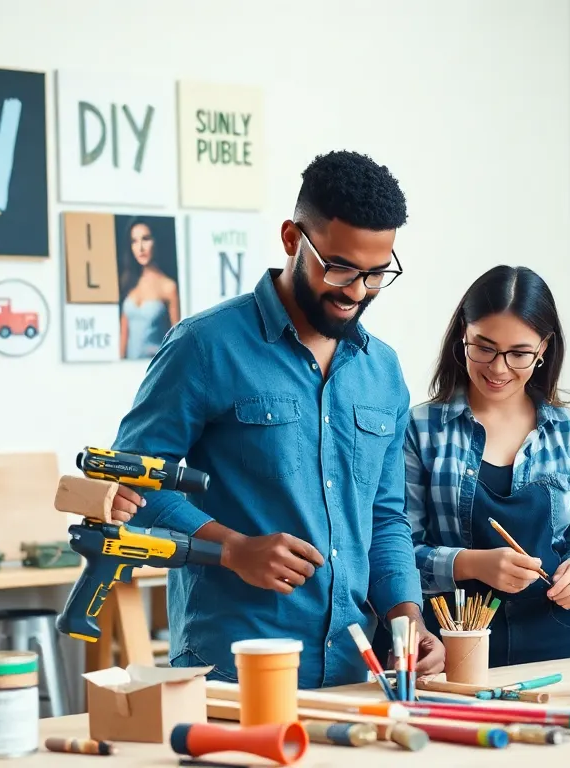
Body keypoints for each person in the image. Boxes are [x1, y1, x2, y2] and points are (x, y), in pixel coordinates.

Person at [106, 150, 444, 688]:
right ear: (292, 239)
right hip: (232, 668)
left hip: (353, 672)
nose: (356, 292)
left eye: (377, 274)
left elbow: (384, 518)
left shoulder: (383, 370)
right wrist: (233, 548)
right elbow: (132, 483)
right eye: (340, 268)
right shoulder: (205, 346)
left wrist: (408, 616)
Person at [405, 265, 570, 667]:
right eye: (484, 347)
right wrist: (473, 564)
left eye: (519, 353)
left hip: (553, 642)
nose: (497, 368)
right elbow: (396, 551)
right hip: (450, 644)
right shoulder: (420, 429)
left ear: (544, 348)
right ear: (463, 333)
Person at [119, 218, 181, 359]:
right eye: (134, 241)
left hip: (155, 368)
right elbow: (123, 337)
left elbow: (177, 341)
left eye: (145, 239)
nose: (140, 248)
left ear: (155, 241)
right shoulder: (128, 283)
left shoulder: (168, 287)